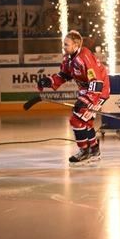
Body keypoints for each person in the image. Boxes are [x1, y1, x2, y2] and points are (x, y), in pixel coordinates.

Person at [37, 30, 110, 164]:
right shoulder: (68, 58)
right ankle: (94, 149)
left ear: (76, 45)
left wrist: (88, 100)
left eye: (66, 44)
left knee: (76, 119)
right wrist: (49, 81)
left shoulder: (85, 57)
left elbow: (96, 81)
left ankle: (84, 151)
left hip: (98, 91)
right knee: (85, 121)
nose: (63, 47)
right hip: (85, 89)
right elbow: (64, 75)